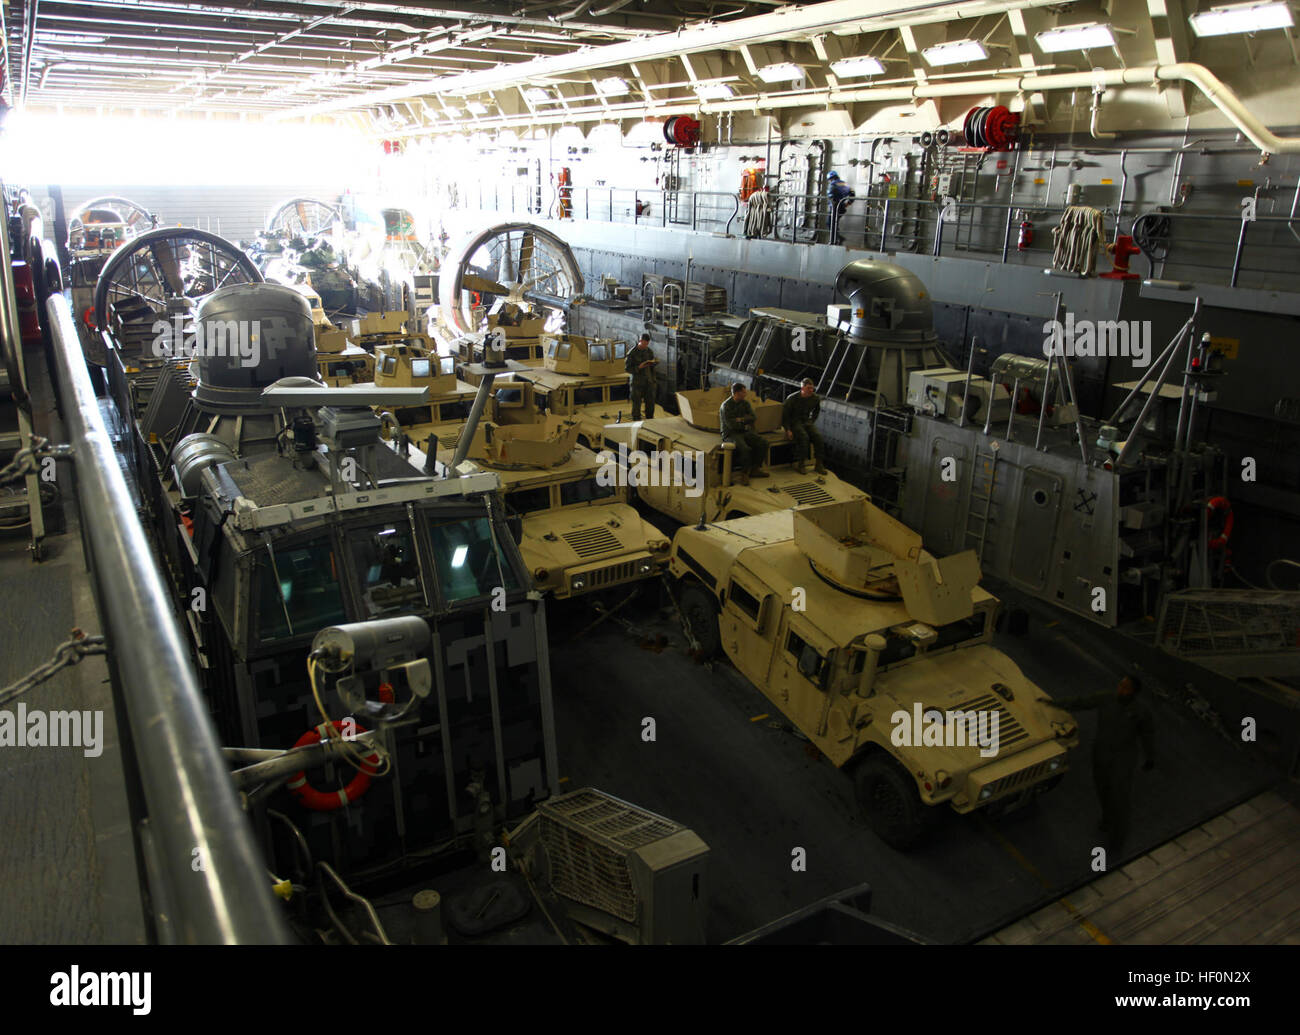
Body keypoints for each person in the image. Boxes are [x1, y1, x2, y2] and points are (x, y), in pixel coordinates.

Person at [1051, 674, 1155, 856]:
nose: (1121, 690)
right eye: (1120, 686)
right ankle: (1107, 818)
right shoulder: (1107, 698)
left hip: (1122, 759)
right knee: (1103, 789)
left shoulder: (1140, 712)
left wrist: (1150, 757)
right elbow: (1081, 702)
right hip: (1101, 755)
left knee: (1120, 799)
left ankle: (1117, 840)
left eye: (1126, 688)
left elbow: (1147, 736)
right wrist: (1055, 703)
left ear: (1134, 692)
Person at [719, 382, 769, 485]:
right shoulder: (726, 406)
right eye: (743, 392)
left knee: (763, 443)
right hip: (730, 433)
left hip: (743, 431)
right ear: (737, 393)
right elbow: (731, 425)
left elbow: (753, 417)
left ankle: (755, 468)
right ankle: (744, 473)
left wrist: (740, 419)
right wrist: (745, 422)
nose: (745, 394)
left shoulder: (745, 403)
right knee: (745, 449)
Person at [782, 377, 827, 474]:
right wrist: (788, 429)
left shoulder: (815, 398)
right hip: (794, 422)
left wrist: (812, 421)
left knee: (818, 438)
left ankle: (818, 464)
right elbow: (785, 416)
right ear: (802, 389)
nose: (811, 390)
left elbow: (816, 411)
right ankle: (801, 464)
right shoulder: (792, 399)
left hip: (806, 421)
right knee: (804, 437)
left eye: (812, 388)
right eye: (808, 388)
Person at [625, 332, 658, 420]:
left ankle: (650, 420)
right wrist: (638, 367)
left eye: (647, 344)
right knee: (636, 404)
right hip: (637, 383)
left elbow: (652, 367)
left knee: (650, 403)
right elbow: (627, 368)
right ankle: (636, 420)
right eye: (644, 343)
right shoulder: (632, 353)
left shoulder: (649, 351)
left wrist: (653, 363)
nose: (645, 346)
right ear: (640, 341)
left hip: (648, 382)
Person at [827, 171, 856, 245]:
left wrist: (833, 205)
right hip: (842, 207)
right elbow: (852, 193)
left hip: (835, 207)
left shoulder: (832, 185)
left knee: (830, 223)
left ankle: (835, 240)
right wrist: (848, 203)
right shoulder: (844, 184)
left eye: (829, 179)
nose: (829, 181)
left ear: (831, 178)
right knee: (834, 223)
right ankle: (837, 239)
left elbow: (831, 197)